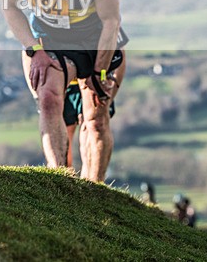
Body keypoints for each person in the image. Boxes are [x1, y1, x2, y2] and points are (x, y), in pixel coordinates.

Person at [3, 0, 122, 182]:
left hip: (94, 41)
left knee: (94, 117)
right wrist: (35, 50)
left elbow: (111, 21)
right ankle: (61, 180)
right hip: (51, 40)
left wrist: (100, 73)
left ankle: (94, 189)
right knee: (48, 99)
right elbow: (9, 8)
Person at [20, 27, 128, 180]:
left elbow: (119, 48)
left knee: (93, 124)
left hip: (94, 70)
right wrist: (39, 98)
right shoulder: (45, 20)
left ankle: (93, 184)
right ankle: (63, 181)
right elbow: (29, 50)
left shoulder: (95, 20)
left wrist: (108, 93)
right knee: (62, 128)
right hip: (58, 74)